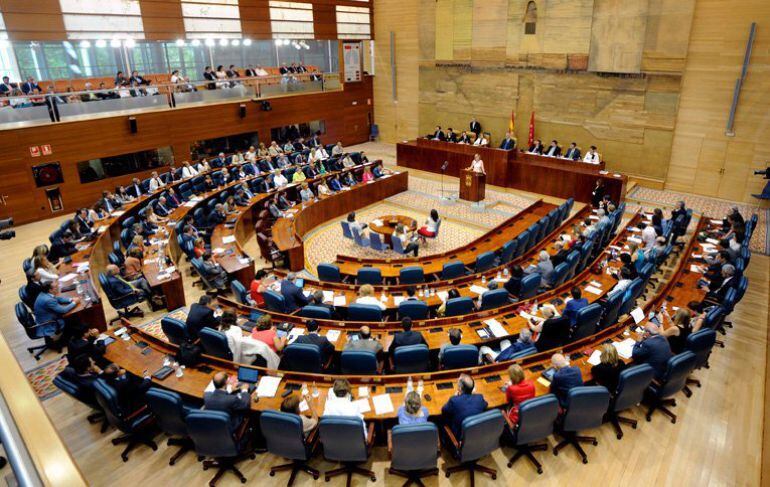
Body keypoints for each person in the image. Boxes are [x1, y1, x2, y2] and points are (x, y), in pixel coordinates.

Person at [441, 374, 488, 439]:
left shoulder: (454, 400)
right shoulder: (479, 398)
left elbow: (444, 410)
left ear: (460, 389)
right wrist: (474, 395)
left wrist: (456, 397)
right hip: (477, 431)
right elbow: (485, 405)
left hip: (459, 435)